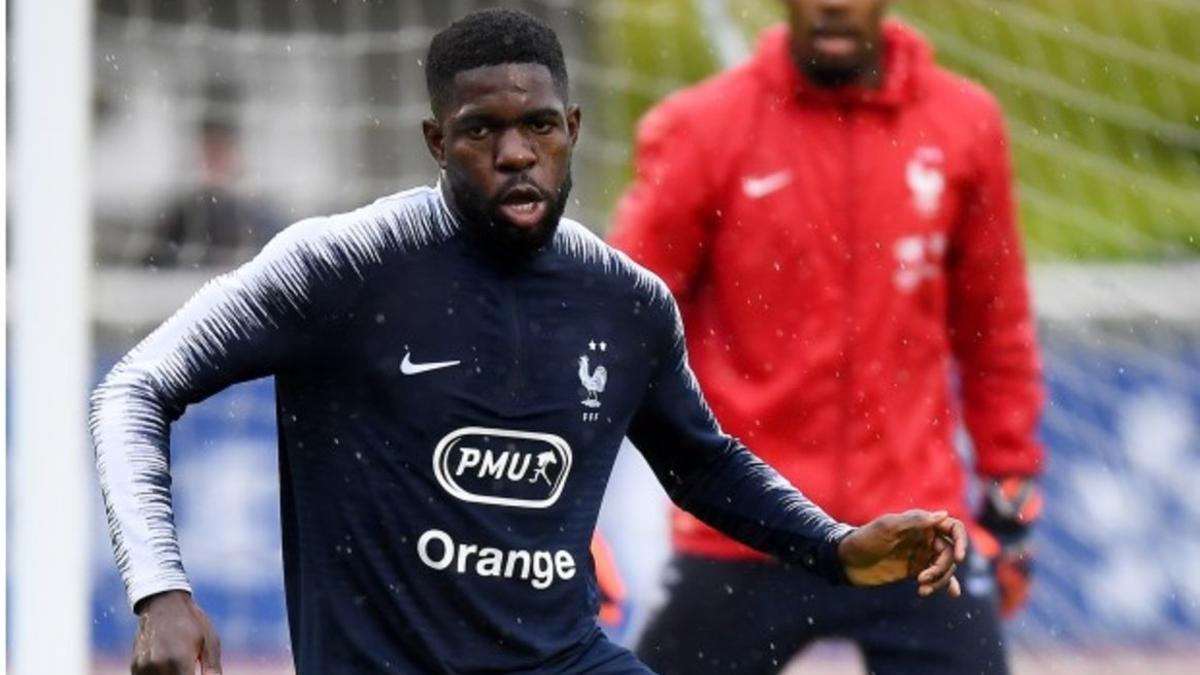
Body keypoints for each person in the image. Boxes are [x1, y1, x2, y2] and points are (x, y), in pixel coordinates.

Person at [92, 9, 969, 675]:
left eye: (539, 127)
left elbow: (702, 463)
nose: (516, 153)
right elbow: (133, 389)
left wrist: (834, 544)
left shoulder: (626, 300)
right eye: (482, 131)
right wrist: (161, 591)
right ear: (438, 140)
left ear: (573, 129)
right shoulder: (343, 265)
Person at [609, 1, 1044, 673]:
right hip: (746, 529)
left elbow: (996, 328)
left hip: (915, 530)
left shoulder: (965, 124)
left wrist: (1010, 495)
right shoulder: (701, 127)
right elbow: (616, 323)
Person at [142, 88, 280, 268]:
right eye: (209, 150)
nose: (214, 159)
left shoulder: (265, 222)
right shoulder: (176, 221)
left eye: (221, 150)